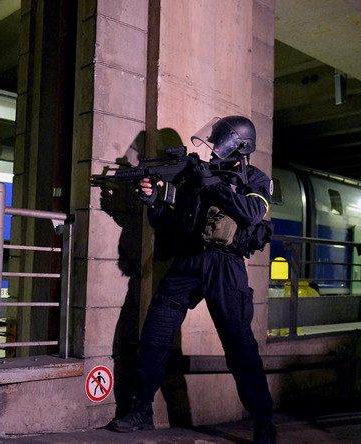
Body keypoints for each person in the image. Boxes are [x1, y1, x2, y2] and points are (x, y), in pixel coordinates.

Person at [106, 116, 276, 444]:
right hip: (188, 260)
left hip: (225, 266)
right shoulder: (198, 177)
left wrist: (212, 183)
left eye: (219, 142)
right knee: (155, 336)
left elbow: (251, 212)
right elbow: (171, 225)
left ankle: (263, 421)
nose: (212, 148)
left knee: (239, 347)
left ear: (239, 146)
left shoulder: (255, 178)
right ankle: (140, 410)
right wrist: (154, 202)